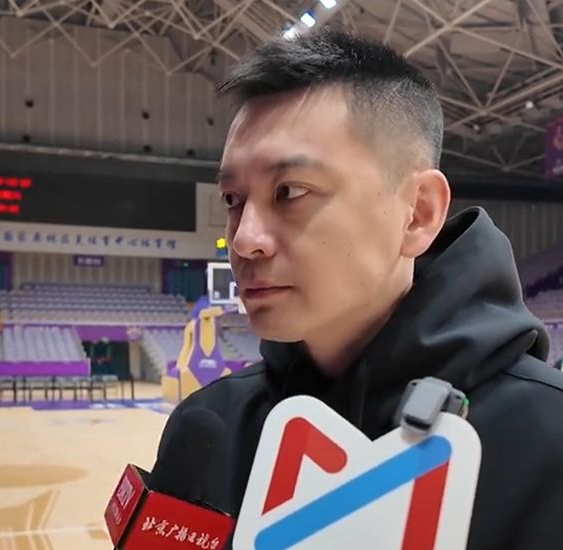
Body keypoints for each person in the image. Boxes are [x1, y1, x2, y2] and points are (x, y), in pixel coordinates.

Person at [153, 27, 563, 549]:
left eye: (290, 192)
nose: (244, 239)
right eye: (234, 200)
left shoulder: (549, 443)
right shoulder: (209, 427)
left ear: (418, 214)